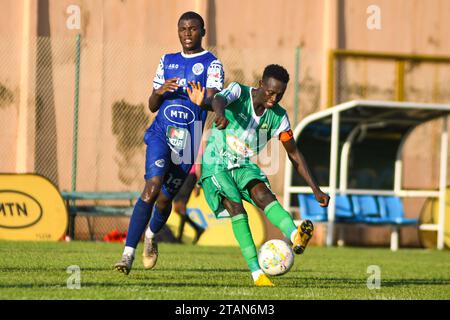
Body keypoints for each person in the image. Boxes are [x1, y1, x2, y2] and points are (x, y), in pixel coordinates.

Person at [187, 64, 330, 286]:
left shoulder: (279, 117)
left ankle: (295, 236)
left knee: (264, 195)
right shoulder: (238, 92)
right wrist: (221, 114)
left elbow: (294, 153)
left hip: (243, 165)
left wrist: (316, 189)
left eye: (279, 95)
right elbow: (218, 100)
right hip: (216, 163)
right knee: (236, 206)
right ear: (261, 84)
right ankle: (257, 273)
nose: (273, 98)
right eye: (270, 92)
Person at [114, 11, 227, 275]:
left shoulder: (212, 64)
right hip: (160, 135)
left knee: (165, 201)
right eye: (182, 29)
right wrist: (159, 92)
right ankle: (127, 254)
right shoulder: (167, 60)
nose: (187, 34)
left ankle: (151, 236)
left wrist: (207, 103)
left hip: (187, 146)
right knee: (151, 189)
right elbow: (152, 105)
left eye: (192, 29)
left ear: (202, 32)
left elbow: (214, 99)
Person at [173, 145, 205, 244]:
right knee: (177, 207)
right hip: (184, 174)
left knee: (181, 206)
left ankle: (179, 238)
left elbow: (198, 165)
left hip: (191, 176)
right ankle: (197, 228)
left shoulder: (200, 145)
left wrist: (198, 184)